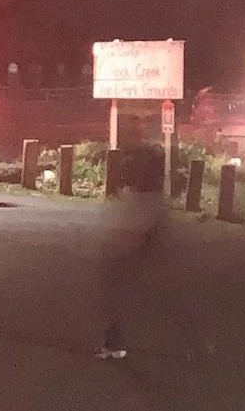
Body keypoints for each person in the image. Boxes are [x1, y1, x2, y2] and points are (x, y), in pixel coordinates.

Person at [96, 143, 168, 360]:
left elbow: (140, 226)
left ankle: (115, 343)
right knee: (123, 297)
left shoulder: (146, 197)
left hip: (131, 255)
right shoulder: (147, 194)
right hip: (133, 254)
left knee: (120, 297)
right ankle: (115, 341)